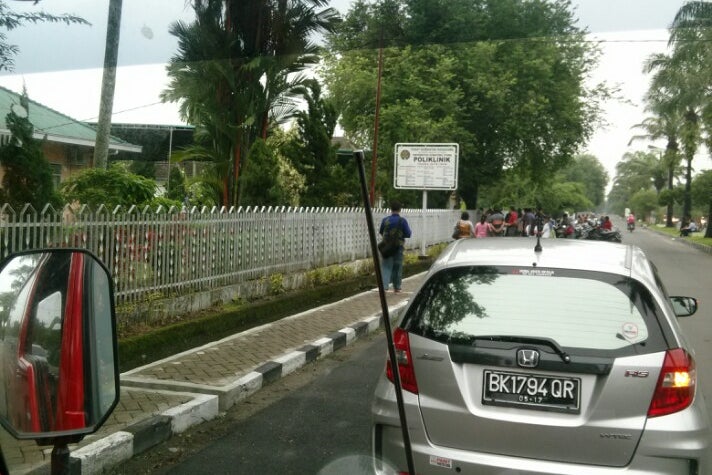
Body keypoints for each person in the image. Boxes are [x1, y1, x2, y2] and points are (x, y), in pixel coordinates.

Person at [378, 201, 412, 293]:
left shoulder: (385, 220)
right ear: (400, 209)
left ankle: (384, 287)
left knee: (386, 266)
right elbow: (408, 234)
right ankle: (397, 287)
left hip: (386, 247)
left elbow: (381, 232)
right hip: (398, 247)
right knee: (397, 267)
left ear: (391, 209)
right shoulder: (402, 221)